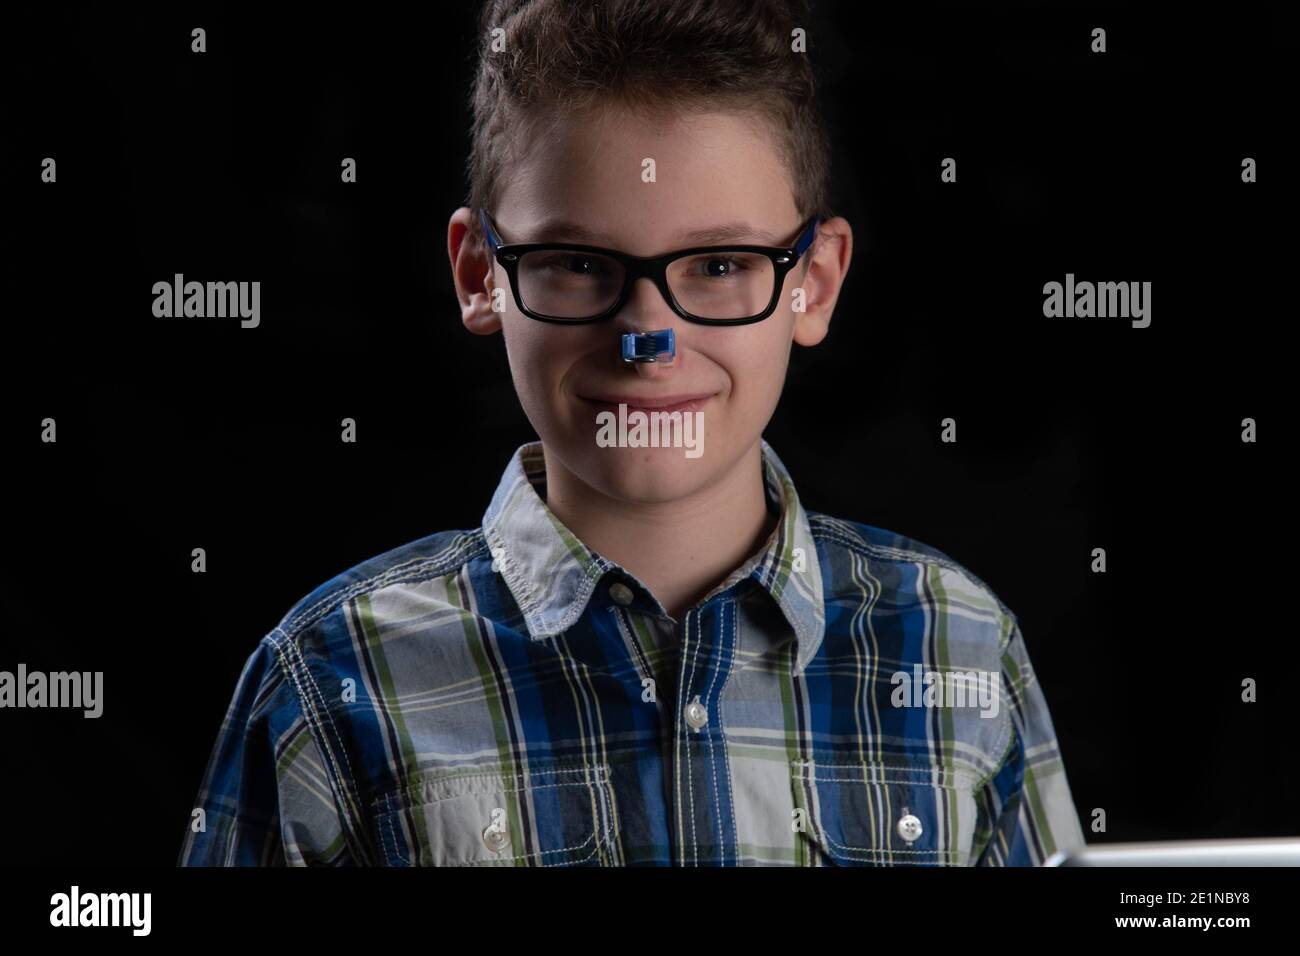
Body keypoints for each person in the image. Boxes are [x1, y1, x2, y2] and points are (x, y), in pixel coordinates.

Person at [179, 0, 1085, 866]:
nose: (648, 340)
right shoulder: (331, 679)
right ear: (478, 275)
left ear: (814, 283)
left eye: (722, 264)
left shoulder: (957, 644)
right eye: (579, 265)